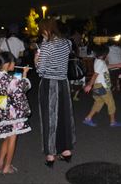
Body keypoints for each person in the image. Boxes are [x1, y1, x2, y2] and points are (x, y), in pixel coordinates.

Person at [36, 19, 75, 168]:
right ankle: (66, 151)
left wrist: (36, 60)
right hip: (63, 83)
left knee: (49, 118)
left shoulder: (46, 45)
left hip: (49, 83)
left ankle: (50, 155)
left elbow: (41, 70)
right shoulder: (67, 43)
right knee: (64, 116)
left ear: (46, 29)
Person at [0, 52, 31, 175]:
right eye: (13, 62)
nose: (14, 64)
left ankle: (0, 164)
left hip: (2, 110)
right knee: (12, 138)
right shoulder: (9, 79)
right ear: (7, 64)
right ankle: (7, 167)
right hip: (12, 112)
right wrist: (25, 74)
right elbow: (23, 87)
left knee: (7, 137)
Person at [83, 45, 121, 128]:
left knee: (98, 102)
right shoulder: (100, 62)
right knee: (111, 103)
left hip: (98, 86)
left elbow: (105, 67)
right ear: (105, 54)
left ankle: (88, 118)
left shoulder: (99, 61)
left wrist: (117, 65)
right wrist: (89, 85)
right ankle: (113, 122)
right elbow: (95, 75)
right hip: (102, 87)